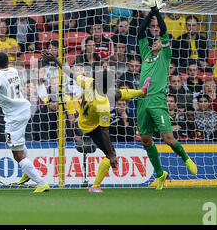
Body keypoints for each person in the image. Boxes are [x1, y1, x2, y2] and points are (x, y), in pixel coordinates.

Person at [41, 49, 152, 193]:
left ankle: (141, 92)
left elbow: (70, 73)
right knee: (109, 154)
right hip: (90, 128)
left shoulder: (89, 82)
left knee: (118, 94)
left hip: (80, 119)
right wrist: (112, 153)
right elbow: (104, 132)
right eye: (111, 84)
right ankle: (95, 186)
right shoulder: (103, 105)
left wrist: (55, 60)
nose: (113, 85)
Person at [136, 0, 197, 189]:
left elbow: (163, 31)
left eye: (159, 40)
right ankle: (161, 174)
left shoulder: (165, 54)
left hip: (157, 101)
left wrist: (156, 11)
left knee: (168, 139)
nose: (156, 41)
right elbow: (140, 33)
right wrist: (149, 13)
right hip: (142, 101)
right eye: (154, 40)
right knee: (146, 140)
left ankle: (186, 158)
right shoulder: (145, 52)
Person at [0, 48, 50, 193]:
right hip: (25, 109)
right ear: (8, 62)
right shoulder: (13, 71)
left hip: (14, 117)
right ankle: (27, 173)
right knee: (19, 144)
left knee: (17, 154)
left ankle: (41, 183)